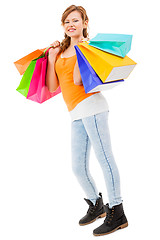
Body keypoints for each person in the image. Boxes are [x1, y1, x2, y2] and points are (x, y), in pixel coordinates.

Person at [46, 4, 128, 236]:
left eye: (76, 21)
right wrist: (52, 58)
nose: (71, 25)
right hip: (76, 114)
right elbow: (53, 87)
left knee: (105, 159)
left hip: (92, 108)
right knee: (77, 167)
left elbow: (79, 81)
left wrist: (82, 51)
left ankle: (118, 211)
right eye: (67, 22)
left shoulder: (88, 47)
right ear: (63, 26)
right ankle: (96, 204)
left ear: (85, 23)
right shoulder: (60, 52)